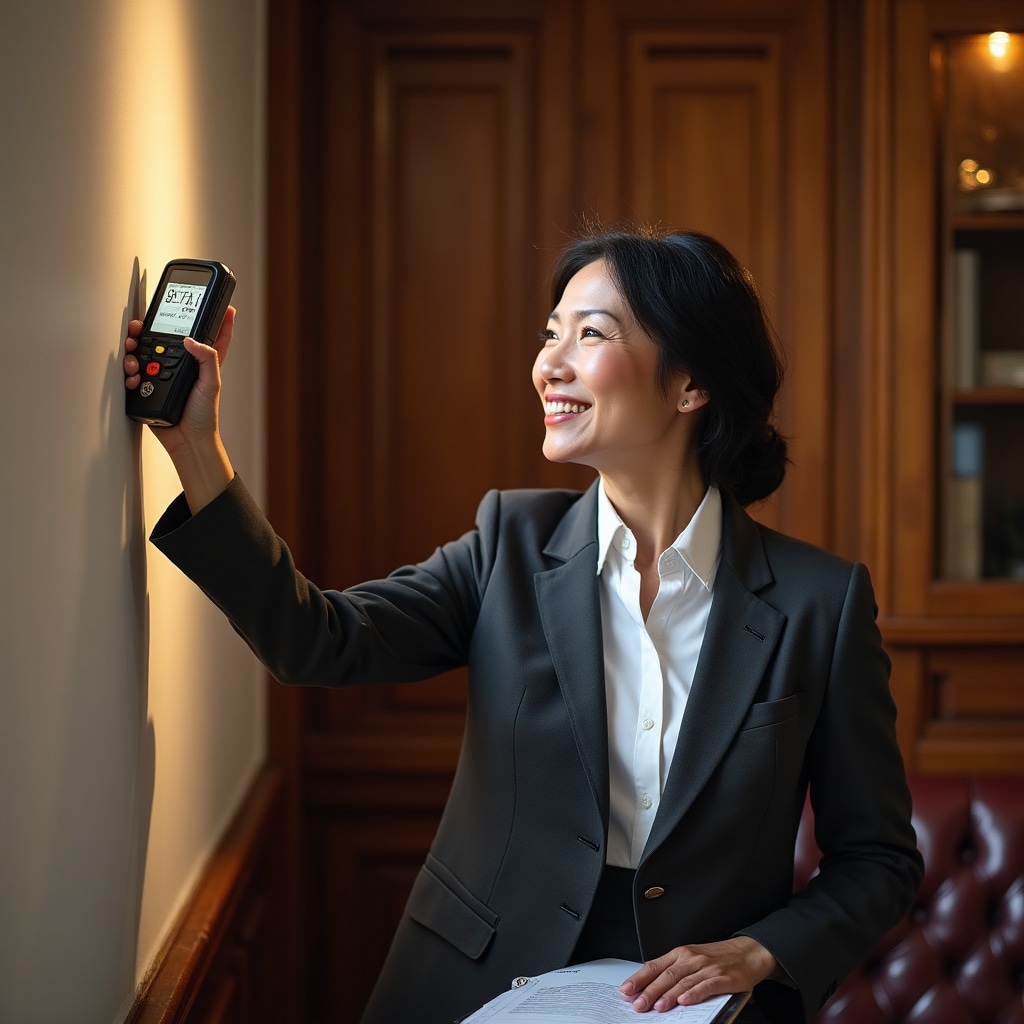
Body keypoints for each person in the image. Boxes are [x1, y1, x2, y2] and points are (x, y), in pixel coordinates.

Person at [123, 227, 923, 1023]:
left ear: (691, 385)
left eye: (591, 334)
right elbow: (315, 641)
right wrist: (196, 445)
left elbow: (878, 859)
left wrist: (758, 951)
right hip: (476, 987)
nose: (549, 364)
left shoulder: (820, 603)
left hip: (699, 1006)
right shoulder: (507, 543)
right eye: (550, 334)